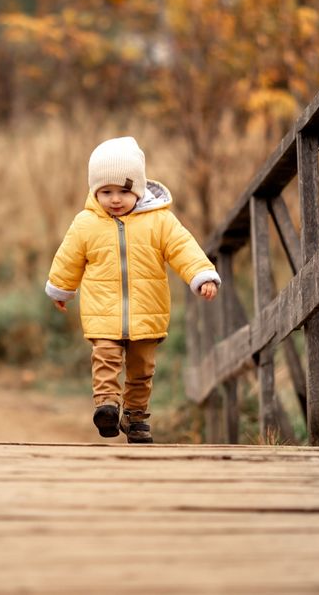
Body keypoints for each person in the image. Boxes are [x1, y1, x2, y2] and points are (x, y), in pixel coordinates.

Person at [45, 136, 220, 444]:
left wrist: (202, 275)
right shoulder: (86, 223)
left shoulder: (160, 221)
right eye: (106, 191)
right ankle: (107, 407)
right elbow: (68, 257)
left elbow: (183, 249)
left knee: (141, 370)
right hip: (103, 310)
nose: (115, 199)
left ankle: (136, 417)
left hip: (147, 311)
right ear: (95, 191)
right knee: (105, 357)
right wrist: (61, 289)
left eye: (124, 191)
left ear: (138, 189)